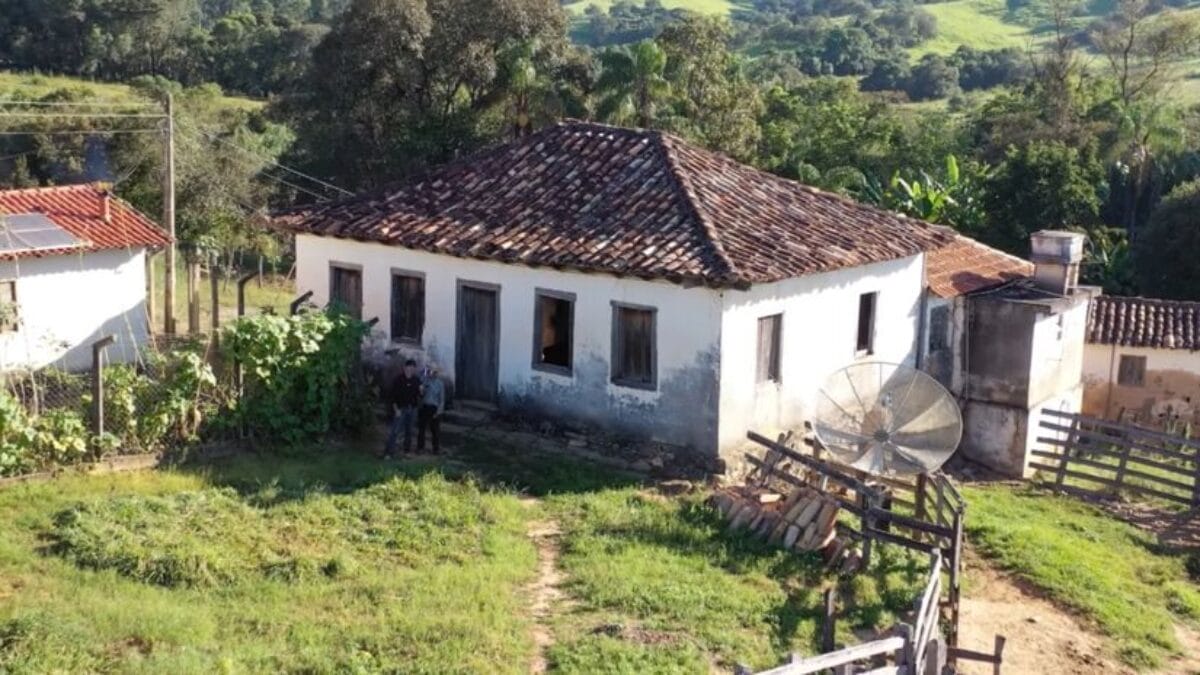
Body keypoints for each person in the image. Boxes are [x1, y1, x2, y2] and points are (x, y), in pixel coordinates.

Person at [384, 359, 422, 457]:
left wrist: (422, 391)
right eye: (409, 367)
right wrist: (396, 409)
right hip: (401, 408)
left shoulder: (416, 380)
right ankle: (389, 452)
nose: (411, 370)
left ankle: (406, 451)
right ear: (405, 368)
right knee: (395, 430)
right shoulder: (398, 379)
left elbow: (420, 395)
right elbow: (392, 396)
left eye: (413, 368)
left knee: (409, 431)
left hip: (412, 408)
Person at [418, 362, 445, 454]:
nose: (434, 373)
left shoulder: (440, 384)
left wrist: (439, 411)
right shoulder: (425, 380)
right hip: (425, 406)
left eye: (435, 372)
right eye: (432, 371)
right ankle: (420, 447)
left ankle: (435, 449)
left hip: (434, 408)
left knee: (435, 430)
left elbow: (442, 399)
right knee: (422, 429)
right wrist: (427, 370)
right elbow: (422, 373)